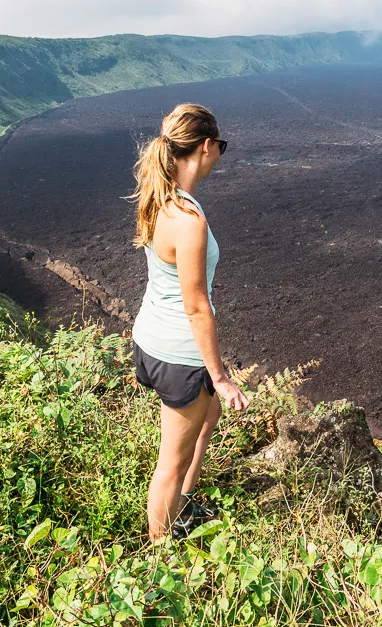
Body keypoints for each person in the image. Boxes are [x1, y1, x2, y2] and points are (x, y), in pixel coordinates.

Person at [129, 102, 248, 541]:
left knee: (210, 413)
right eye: (222, 145)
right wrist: (220, 375)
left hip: (151, 339)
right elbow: (197, 306)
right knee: (169, 464)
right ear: (205, 146)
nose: (221, 152)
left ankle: (185, 501)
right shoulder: (190, 220)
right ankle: (161, 559)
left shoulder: (158, 197)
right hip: (179, 356)